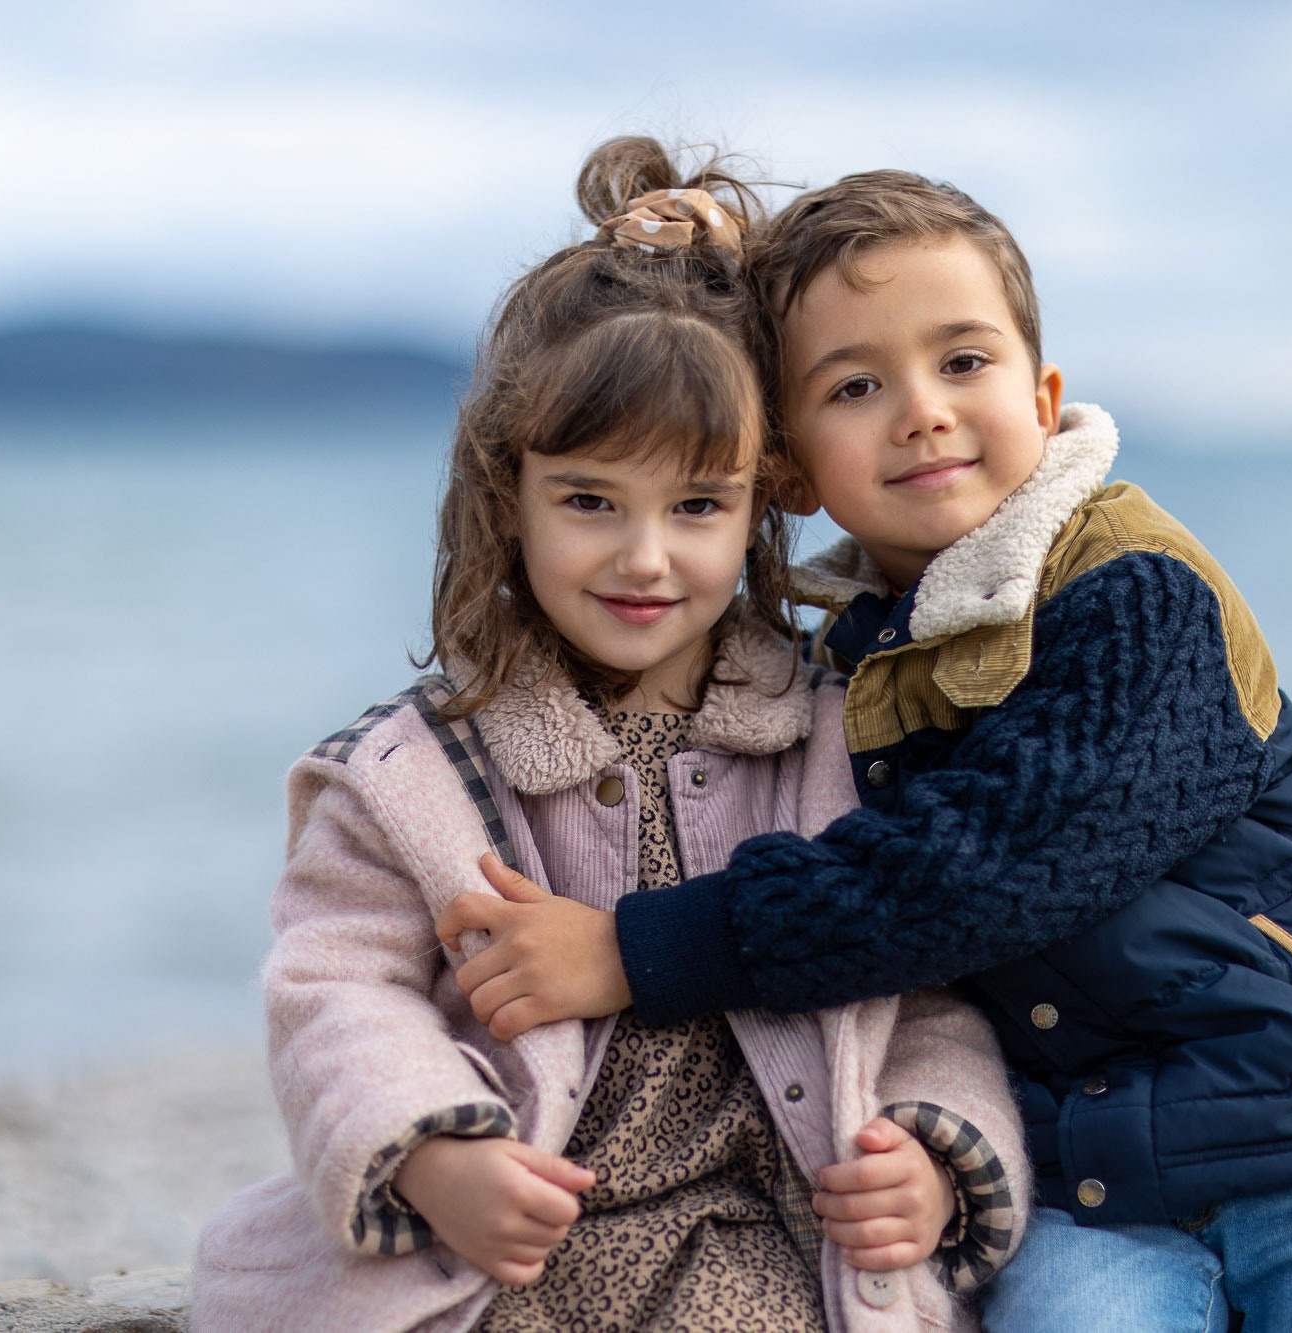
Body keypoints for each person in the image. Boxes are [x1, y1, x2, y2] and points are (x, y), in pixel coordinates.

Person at [438, 169, 1292, 1332]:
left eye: (961, 362)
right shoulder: (844, 665)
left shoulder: (1133, 593)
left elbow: (982, 867)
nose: (921, 411)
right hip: (1088, 1177)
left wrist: (637, 950)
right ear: (787, 469)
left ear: (1042, 397)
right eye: (854, 384)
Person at [191, 141, 1027, 1333]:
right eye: (589, 500)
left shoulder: (833, 738)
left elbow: (924, 990)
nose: (644, 557)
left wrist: (936, 1156)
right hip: (502, 1250)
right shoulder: (416, 772)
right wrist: (430, 1150)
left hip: (754, 1242)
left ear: (758, 502)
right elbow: (337, 985)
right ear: (506, 494)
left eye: (696, 505)